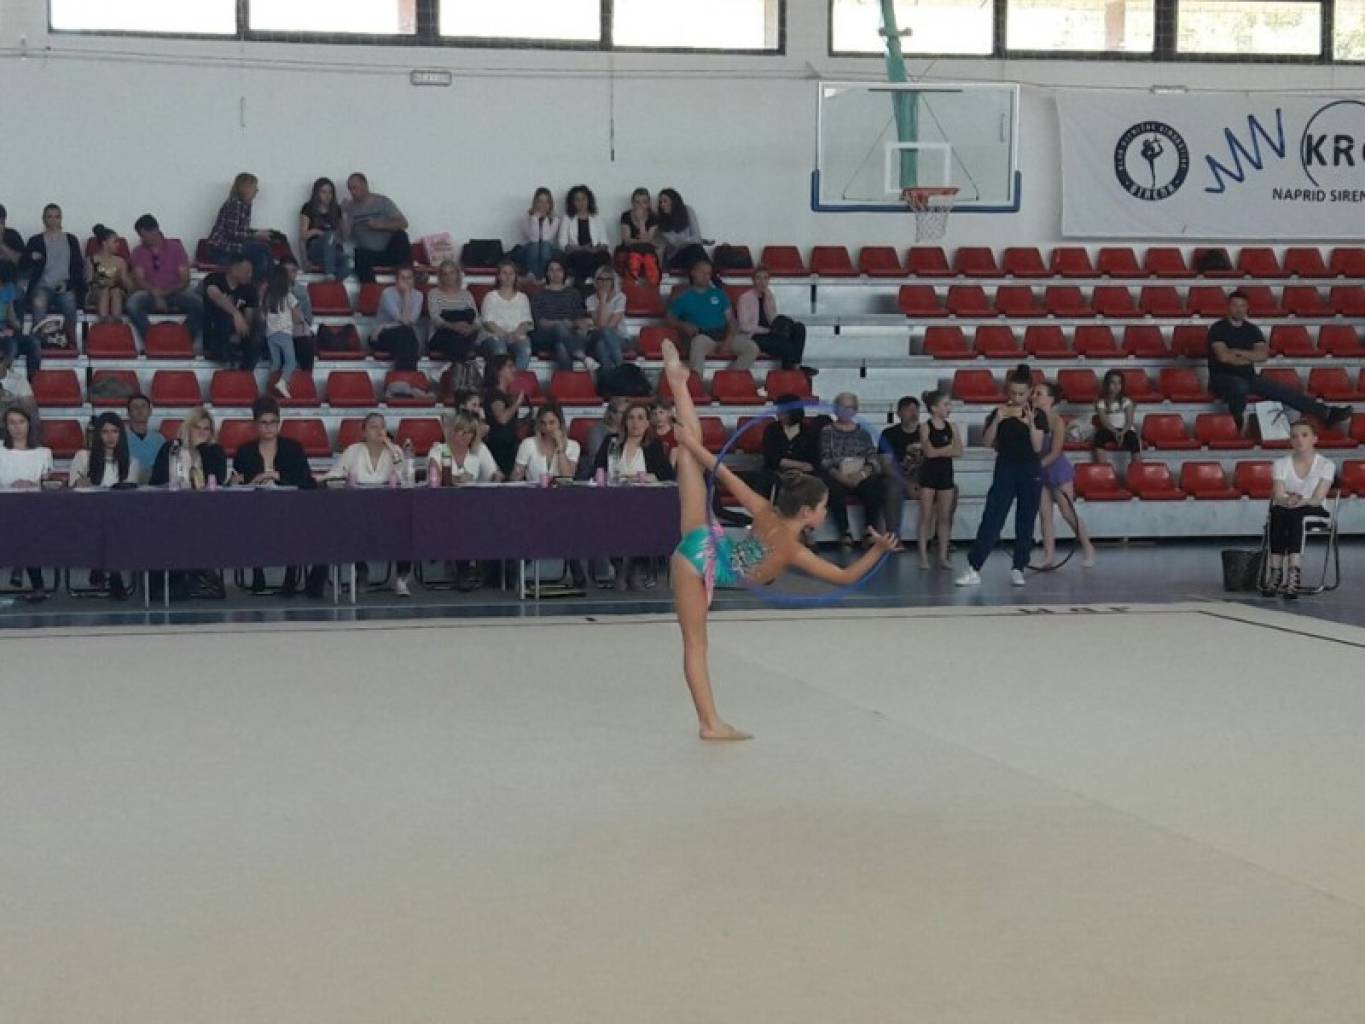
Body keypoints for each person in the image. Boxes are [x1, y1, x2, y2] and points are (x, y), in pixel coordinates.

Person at [661, 338, 898, 740]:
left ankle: (679, 384)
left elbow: (723, 473)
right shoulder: (792, 550)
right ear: (806, 513)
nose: (824, 513)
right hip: (700, 563)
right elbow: (844, 578)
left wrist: (692, 445)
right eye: (823, 508)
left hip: (708, 543)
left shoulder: (766, 512)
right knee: (696, 645)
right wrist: (877, 549)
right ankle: (709, 724)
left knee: (689, 455)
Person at [1207, 290, 1351, 435]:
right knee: (1239, 386)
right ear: (1228, 307)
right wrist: (1249, 357)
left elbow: (1262, 355)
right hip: (1221, 378)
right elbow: (1224, 357)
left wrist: (1237, 352)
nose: (1239, 309)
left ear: (1247, 308)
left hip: (1249, 377)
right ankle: (1236, 421)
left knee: (1284, 391)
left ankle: (1327, 413)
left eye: (1242, 306)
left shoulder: (1252, 330)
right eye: (1235, 305)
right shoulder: (1218, 329)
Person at [957, 364, 1046, 588]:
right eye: (1013, 393)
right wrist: (997, 420)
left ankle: (1019, 567)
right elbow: (987, 442)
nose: (1016, 397)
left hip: (1030, 469)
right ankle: (974, 567)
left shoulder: (1037, 415)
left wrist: (1030, 424)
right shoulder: (999, 412)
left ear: (1029, 392)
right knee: (993, 516)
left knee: (1026, 518)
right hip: (1006, 467)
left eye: (1021, 394)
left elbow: (1037, 447)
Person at [233, 396, 327, 598]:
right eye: (263, 423)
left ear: (279, 423)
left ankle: (291, 578)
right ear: (255, 424)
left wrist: (277, 476)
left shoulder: (293, 448)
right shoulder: (244, 451)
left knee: (302, 521)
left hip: (290, 508)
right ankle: (258, 575)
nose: (269, 427)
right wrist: (254, 480)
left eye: (273, 422)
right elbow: (239, 485)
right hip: (255, 509)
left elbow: (306, 480)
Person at [324, 412, 414, 595]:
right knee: (350, 523)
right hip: (358, 511)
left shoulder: (395, 451)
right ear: (364, 432)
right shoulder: (353, 451)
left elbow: (405, 479)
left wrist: (394, 449)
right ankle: (361, 572)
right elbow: (335, 476)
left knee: (406, 524)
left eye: (382, 427)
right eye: (373, 427)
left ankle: (401, 578)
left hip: (389, 512)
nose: (379, 431)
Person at [149, 407, 231, 600]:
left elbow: (216, 480)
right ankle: (173, 581)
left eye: (206, 429)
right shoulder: (170, 448)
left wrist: (202, 450)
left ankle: (195, 577)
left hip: (204, 513)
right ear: (188, 428)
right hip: (169, 510)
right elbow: (156, 481)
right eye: (197, 428)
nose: (202, 433)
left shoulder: (215, 451)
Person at [592, 401, 674, 590]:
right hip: (613, 502)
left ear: (647, 423)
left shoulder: (653, 445)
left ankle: (632, 567)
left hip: (644, 505)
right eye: (631, 418)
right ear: (625, 422)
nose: (635, 422)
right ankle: (621, 567)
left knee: (642, 519)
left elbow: (667, 476)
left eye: (640, 418)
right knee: (608, 518)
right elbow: (598, 470)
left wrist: (646, 477)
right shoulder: (612, 442)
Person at [429, 409, 504, 591]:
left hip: (471, 507)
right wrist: (455, 479)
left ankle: (488, 571)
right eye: (461, 431)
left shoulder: (477, 453)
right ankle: (465, 569)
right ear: (453, 431)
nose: (465, 436)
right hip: (442, 507)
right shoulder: (440, 449)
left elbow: (496, 474)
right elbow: (435, 476)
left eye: (469, 432)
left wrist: (495, 477)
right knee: (460, 521)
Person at [68, 412, 138, 599]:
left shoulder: (131, 462)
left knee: (112, 523)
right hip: (86, 514)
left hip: (119, 516)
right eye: (105, 432)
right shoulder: (83, 457)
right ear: (98, 434)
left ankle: (101, 568)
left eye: (115, 431)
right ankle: (114, 575)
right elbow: (72, 490)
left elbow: (130, 493)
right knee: (103, 523)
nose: (110, 437)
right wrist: (81, 483)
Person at [1264, 420, 1336, 599]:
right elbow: (1278, 495)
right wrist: (1287, 500)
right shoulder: (1281, 463)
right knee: (1277, 512)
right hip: (1288, 506)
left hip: (1314, 508)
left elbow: (1317, 498)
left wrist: (1300, 501)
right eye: (1294, 436)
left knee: (1296, 516)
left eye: (1304, 435)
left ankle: (1293, 574)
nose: (1299, 440)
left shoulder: (1326, 464)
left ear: (1314, 439)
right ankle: (1275, 572)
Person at [1032, 380, 1097, 569]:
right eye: (1034, 393)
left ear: (1051, 399)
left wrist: (1037, 466)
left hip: (1057, 470)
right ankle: (1048, 556)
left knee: (1067, 512)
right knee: (1044, 514)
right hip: (1039, 471)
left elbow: (1055, 451)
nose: (1034, 396)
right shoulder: (1030, 418)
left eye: (1039, 393)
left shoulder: (1057, 421)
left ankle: (1088, 547)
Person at [666, 257, 759, 373]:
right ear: (693, 272)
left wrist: (729, 339)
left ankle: (729, 378)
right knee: (697, 343)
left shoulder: (719, 294)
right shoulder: (684, 297)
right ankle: (697, 381)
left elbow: (731, 321)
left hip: (724, 334)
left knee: (752, 348)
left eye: (708, 273)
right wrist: (683, 325)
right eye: (702, 272)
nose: (706, 276)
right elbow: (670, 318)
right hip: (703, 337)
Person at [819, 392, 887, 547]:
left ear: (855, 410)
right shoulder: (826, 432)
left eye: (850, 407)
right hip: (837, 474)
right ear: (836, 409)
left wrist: (862, 474)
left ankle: (870, 531)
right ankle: (845, 532)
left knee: (874, 486)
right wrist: (842, 477)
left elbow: (872, 459)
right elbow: (825, 460)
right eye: (842, 407)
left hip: (860, 473)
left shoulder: (863, 433)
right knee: (833, 488)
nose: (846, 411)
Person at [0, 405, 53, 601]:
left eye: (21, 422)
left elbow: (46, 484)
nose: (17, 427)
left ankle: (20, 567)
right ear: (6, 426)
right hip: (3, 506)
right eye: (12, 423)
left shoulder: (44, 453)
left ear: (29, 424)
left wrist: (32, 484)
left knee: (26, 524)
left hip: (34, 508)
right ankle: (32, 579)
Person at [126, 214, 204, 342]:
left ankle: (183, 339)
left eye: (143, 235)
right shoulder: (138, 251)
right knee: (132, 304)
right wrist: (155, 294)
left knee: (200, 305)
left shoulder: (176, 249)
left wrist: (164, 293)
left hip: (175, 292)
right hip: (149, 293)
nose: (141, 239)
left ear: (155, 230)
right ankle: (152, 340)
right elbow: (139, 280)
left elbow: (185, 280)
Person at [915, 390, 961, 570]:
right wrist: (947, 449)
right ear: (934, 408)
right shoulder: (925, 426)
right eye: (946, 404)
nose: (949, 408)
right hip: (929, 475)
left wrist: (941, 450)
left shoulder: (952, 427)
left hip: (945, 474)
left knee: (944, 517)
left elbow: (958, 451)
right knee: (926, 516)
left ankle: (943, 556)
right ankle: (923, 557)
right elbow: (928, 453)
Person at [24, 203, 84, 338]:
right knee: (38, 304)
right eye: (49, 217)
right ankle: (38, 341)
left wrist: (68, 284)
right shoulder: (35, 240)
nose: (53, 220)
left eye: (56, 217)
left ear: (61, 219)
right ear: (43, 219)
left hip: (64, 285)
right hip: (42, 286)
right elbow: (23, 264)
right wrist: (31, 257)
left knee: (70, 303)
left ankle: (71, 340)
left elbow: (78, 266)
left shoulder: (71, 239)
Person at [736, 264, 809, 373]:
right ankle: (790, 373)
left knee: (799, 328)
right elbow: (744, 326)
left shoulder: (769, 295)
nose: (762, 282)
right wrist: (766, 330)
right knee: (787, 346)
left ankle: (796, 366)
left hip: (771, 332)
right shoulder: (745, 298)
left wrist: (768, 299)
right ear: (753, 280)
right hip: (754, 335)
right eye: (758, 278)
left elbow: (773, 318)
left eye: (765, 278)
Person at [343, 173, 410, 283]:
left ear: (365, 185)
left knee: (401, 236)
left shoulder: (382, 202)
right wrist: (344, 214)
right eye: (350, 189)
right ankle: (370, 289)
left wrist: (380, 225)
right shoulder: (349, 208)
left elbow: (403, 223)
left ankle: (408, 280)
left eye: (355, 188)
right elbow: (345, 236)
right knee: (359, 254)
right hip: (369, 254)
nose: (352, 192)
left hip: (390, 251)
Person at [207, 172, 274, 282]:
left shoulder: (245, 205)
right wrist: (255, 235)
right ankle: (265, 284)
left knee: (262, 253)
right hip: (221, 249)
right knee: (263, 250)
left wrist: (258, 233)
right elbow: (232, 233)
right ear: (244, 188)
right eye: (254, 187)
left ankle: (261, 284)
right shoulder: (235, 204)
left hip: (231, 247)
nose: (257, 191)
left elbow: (241, 231)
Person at [531, 257, 595, 371]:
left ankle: (567, 381)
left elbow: (580, 318)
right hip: (546, 336)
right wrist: (560, 323)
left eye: (558, 270)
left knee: (561, 347)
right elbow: (540, 322)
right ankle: (582, 356)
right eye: (551, 270)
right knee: (560, 327)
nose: (555, 273)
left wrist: (572, 324)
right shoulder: (539, 294)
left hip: (570, 335)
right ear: (547, 273)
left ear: (564, 272)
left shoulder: (573, 293)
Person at [879, 396, 923, 548]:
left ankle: (940, 538)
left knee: (950, 490)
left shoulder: (927, 432)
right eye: (908, 410)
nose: (913, 413)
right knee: (892, 487)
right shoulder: (889, 434)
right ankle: (893, 538)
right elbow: (886, 465)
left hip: (922, 477)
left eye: (916, 410)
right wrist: (906, 484)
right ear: (898, 413)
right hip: (897, 477)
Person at [202, 255, 260, 368]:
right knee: (224, 317)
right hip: (215, 330)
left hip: (237, 333)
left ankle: (246, 371)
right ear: (234, 268)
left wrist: (242, 330)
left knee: (257, 331)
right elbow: (216, 296)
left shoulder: (250, 289)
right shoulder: (213, 278)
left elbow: (249, 317)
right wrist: (236, 314)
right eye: (247, 271)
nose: (250, 275)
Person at [479, 260, 534, 370]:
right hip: (494, 336)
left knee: (525, 349)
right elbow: (488, 323)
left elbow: (526, 322)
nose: (508, 276)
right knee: (500, 349)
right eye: (504, 273)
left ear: (515, 276)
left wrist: (515, 334)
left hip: (517, 336)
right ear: (499, 276)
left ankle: (516, 379)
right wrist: (505, 335)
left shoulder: (523, 298)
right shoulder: (490, 296)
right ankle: (501, 379)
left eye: (511, 273)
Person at [262, 265, 307, 398]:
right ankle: (282, 382)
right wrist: (301, 322)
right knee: (291, 363)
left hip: (270, 334)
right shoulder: (288, 296)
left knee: (275, 363)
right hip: (284, 333)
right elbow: (298, 315)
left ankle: (270, 386)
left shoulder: (268, 296)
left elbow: (263, 315)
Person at [426, 260, 481, 364]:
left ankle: (456, 369)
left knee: (463, 339)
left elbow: (477, 320)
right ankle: (460, 369)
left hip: (466, 333)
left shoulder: (466, 295)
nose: (449, 277)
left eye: (452, 273)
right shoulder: (434, 294)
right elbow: (435, 319)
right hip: (442, 334)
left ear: (457, 275)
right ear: (440, 277)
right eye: (445, 274)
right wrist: (453, 326)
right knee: (458, 341)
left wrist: (471, 328)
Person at [556, 184, 611, 287]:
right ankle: (583, 283)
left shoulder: (596, 217)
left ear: (588, 200)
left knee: (604, 257)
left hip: (595, 251)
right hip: (576, 252)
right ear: (572, 202)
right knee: (584, 257)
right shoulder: (567, 218)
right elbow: (562, 244)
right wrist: (582, 248)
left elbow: (604, 242)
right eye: (577, 200)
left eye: (583, 199)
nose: (581, 203)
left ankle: (600, 283)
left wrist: (595, 249)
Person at [298, 177, 350, 281]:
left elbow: (345, 237)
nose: (327, 196)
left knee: (348, 262)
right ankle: (329, 274)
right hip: (316, 249)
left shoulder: (336, 209)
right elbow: (303, 235)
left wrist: (344, 214)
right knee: (330, 234)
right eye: (323, 192)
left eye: (330, 192)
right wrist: (317, 232)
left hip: (333, 250)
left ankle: (331, 283)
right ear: (317, 193)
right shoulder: (308, 208)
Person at [372, 265, 423, 371]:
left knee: (406, 334)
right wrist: (407, 295)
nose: (406, 282)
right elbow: (403, 320)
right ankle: (408, 374)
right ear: (396, 280)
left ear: (414, 280)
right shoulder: (387, 293)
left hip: (400, 335)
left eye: (409, 278)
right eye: (402, 278)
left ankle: (402, 374)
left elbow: (410, 321)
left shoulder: (419, 296)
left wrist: (385, 326)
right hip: (381, 336)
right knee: (407, 335)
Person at [512, 403, 579, 482]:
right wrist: (517, 473)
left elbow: (568, 479)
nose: (547, 427)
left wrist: (561, 449)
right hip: (533, 489)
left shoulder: (573, 446)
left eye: (552, 422)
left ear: (560, 423)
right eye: (543, 423)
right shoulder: (528, 444)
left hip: (561, 490)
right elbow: (515, 479)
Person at [482, 354, 525, 476]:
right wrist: (517, 404)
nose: (514, 370)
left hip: (509, 445)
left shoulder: (504, 395)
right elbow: (502, 418)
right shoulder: (494, 394)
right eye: (510, 366)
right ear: (498, 371)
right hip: (499, 448)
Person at [0, 261, 40, 380]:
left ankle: (33, 382)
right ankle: (4, 382)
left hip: (6, 334)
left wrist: (17, 326)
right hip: (3, 337)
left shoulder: (9, 290)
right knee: (11, 346)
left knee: (33, 343)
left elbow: (13, 319)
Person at [511, 187, 560, 282]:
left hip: (547, 252)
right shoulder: (526, 217)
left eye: (547, 202)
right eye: (540, 201)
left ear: (550, 204)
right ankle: (534, 275)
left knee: (545, 246)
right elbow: (534, 238)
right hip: (528, 252)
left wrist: (545, 219)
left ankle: (542, 276)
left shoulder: (555, 219)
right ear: (535, 203)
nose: (543, 205)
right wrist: (535, 218)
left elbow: (546, 238)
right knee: (535, 246)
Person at [656, 188, 707, 273]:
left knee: (695, 251)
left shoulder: (688, 210)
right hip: (675, 257)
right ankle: (714, 278)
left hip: (693, 252)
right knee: (694, 250)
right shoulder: (662, 222)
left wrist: (687, 241)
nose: (662, 205)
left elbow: (697, 237)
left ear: (674, 201)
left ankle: (703, 278)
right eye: (660, 202)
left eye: (665, 201)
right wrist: (690, 240)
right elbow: (676, 243)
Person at [85, 225, 129, 323]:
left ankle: (117, 321)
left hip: (116, 290)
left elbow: (125, 282)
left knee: (115, 291)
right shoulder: (92, 260)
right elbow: (88, 281)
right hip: (97, 292)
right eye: (115, 242)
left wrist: (121, 281)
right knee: (104, 291)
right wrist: (101, 282)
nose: (118, 245)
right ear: (105, 243)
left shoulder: (120, 261)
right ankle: (104, 321)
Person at [617, 187, 660, 286]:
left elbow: (648, 240)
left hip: (647, 249)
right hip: (630, 249)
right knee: (637, 252)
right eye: (637, 202)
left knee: (647, 252)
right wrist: (642, 240)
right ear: (632, 203)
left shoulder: (653, 217)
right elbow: (627, 240)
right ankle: (633, 277)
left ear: (649, 204)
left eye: (644, 202)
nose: (640, 205)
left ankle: (652, 282)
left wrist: (641, 222)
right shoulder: (626, 216)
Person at [1093, 369, 1140, 457]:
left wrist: (1122, 433)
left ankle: (1137, 464)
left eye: (1119, 383)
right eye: (1113, 383)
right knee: (1099, 436)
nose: (1116, 386)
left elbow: (1129, 421)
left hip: (1126, 430)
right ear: (1107, 384)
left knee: (1134, 439)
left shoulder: (1126, 401)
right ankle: (1102, 464)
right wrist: (1115, 432)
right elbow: (1105, 422)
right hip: (1110, 430)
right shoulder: (1101, 402)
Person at [124, 393, 165, 485]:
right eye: (135, 407)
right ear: (128, 413)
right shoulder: (121, 438)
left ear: (150, 411)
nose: (140, 410)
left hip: (155, 486)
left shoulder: (159, 439)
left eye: (143, 406)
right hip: (129, 484)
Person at [0, 203, 25, 278]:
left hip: (8, 279)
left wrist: (1, 244)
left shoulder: (13, 235)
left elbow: (21, 262)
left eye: (1, 222)